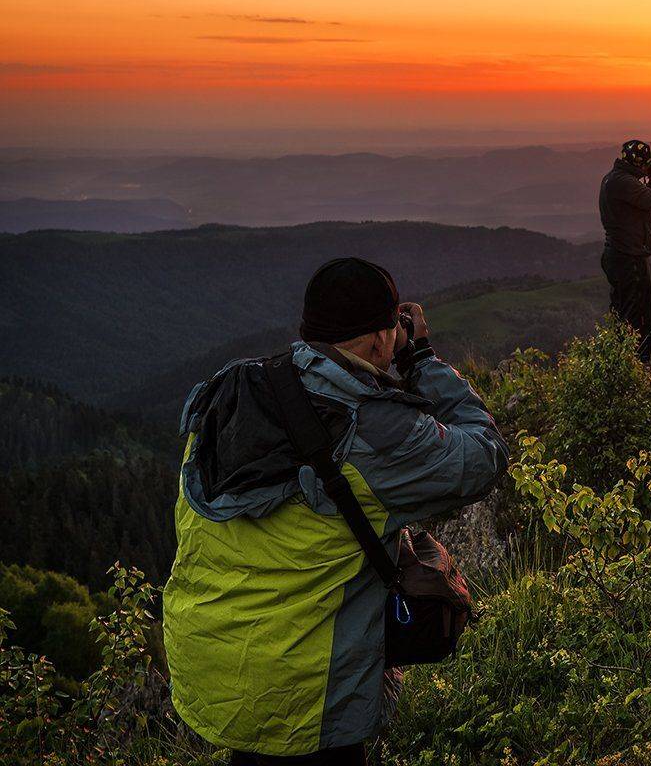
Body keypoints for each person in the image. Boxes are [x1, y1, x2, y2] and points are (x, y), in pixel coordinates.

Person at [162, 257, 509, 765]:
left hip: (212, 658)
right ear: (379, 341)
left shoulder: (233, 390)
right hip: (305, 688)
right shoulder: (374, 430)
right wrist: (421, 360)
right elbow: (485, 456)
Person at [598, 138, 651, 362]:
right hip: (629, 260)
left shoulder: (615, 179)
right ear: (640, 163)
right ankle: (638, 369)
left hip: (618, 257)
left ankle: (620, 366)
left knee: (623, 316)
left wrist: (649, 182)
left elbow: (639, 204)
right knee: (640, 318)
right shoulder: (624, 183)